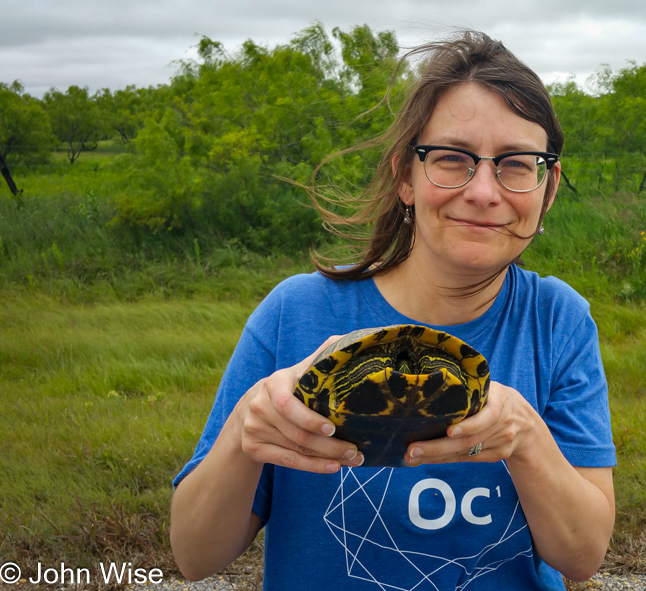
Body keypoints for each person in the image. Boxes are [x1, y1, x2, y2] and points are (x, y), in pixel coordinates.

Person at [170, 30, 616, 591]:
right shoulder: (296, 314)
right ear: (406, 176)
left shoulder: (558, 321)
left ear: (547, 188)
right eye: (452, 159)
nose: (483, 191)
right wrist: (245, 429)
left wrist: (526, 437)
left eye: (516, 164)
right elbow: (194, 556)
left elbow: (582, 558)